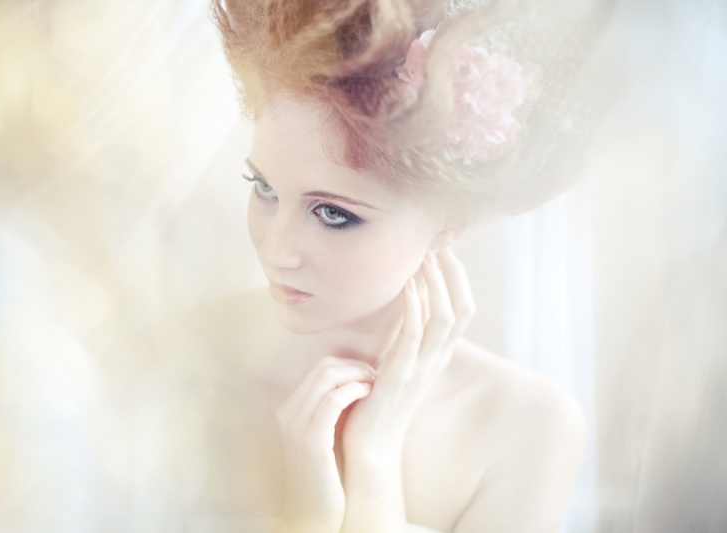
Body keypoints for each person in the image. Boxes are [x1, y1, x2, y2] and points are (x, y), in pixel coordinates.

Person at [164, 0, 607, 531]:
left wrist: (373, 457)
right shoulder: (175, 360)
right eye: (263, 188)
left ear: (451, 220)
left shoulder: (528, 428)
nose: (274, 250)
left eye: (333, 214)